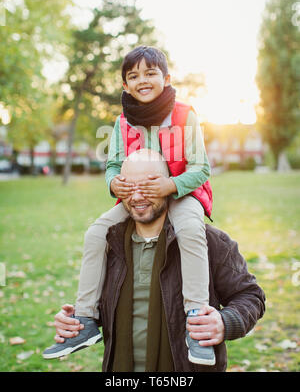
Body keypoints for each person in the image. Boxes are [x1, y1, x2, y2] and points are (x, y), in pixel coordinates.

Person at [43, 45, 215, 365]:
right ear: (125, 85)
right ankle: (86, 320)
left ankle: (195, 317)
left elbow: (201, 168)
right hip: (135, 195)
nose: (142, 80)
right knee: (96, 233)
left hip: (178, 194)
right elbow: (112, 166)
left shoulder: (185, 115)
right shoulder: (122, 122)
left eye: (150, 73)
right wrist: (114, 183)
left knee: (191, 229)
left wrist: (171, 185)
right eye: (133, 76)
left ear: (166, 77)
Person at [47, 150, 265, 372]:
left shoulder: (209, 242)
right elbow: (109, 307)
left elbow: (250, 296)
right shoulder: (110, 244)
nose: (137, 197)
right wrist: (75, 321)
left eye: (147, 186)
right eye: (129, 187)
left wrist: (225, 322)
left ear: (168, 186)